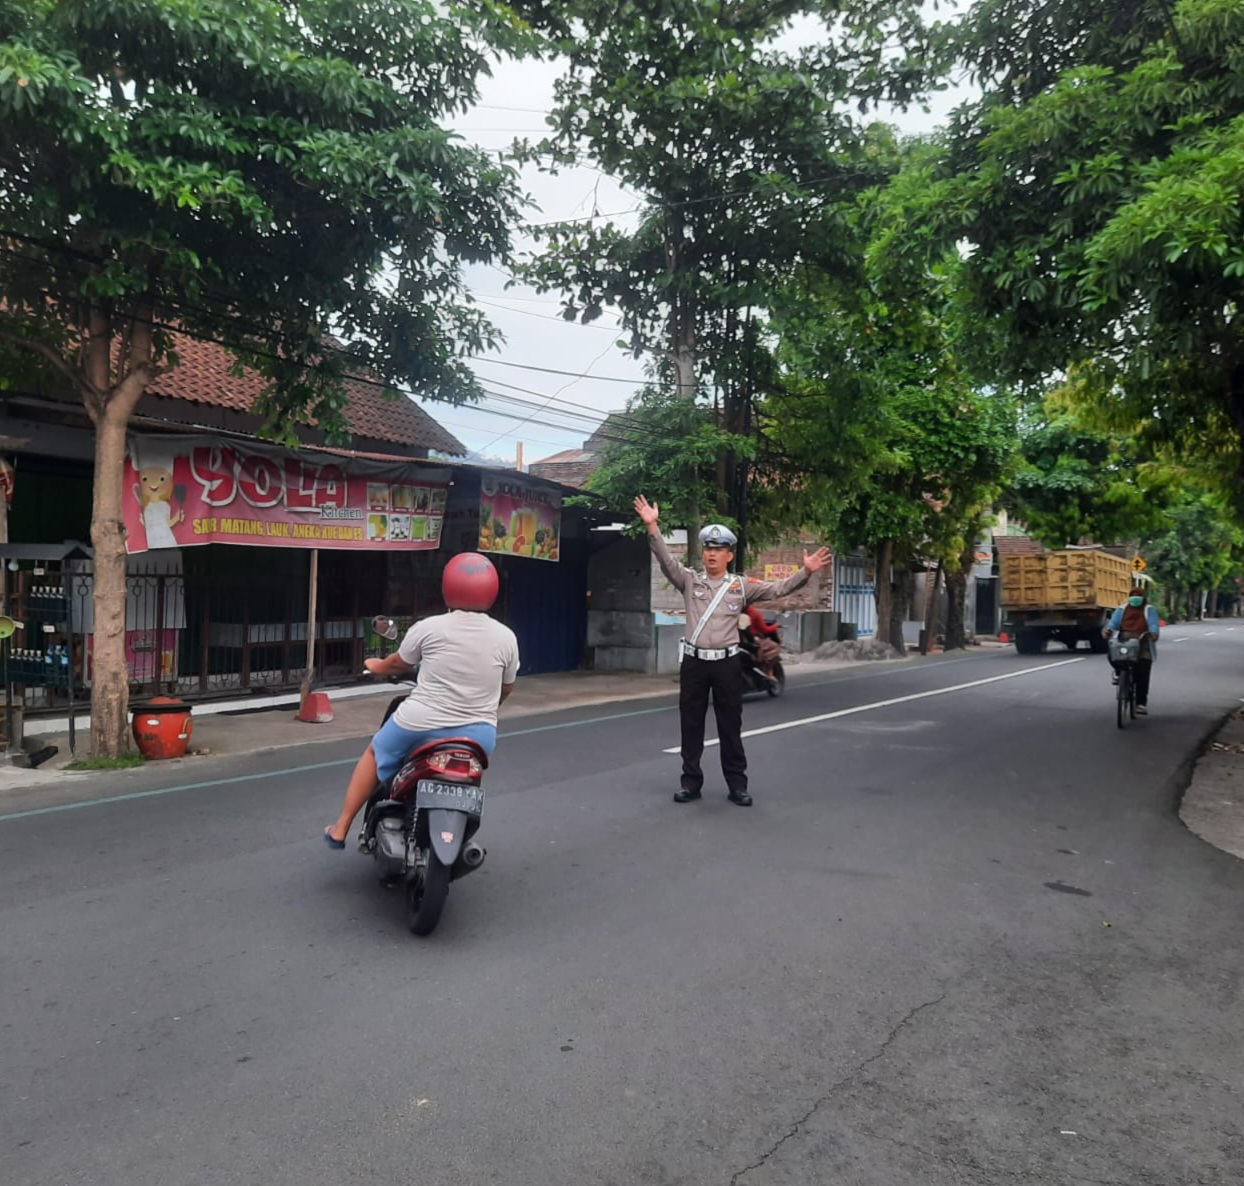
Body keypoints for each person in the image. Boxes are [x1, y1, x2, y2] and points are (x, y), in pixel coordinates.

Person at [634, 495, 831, 806]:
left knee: (730, 726)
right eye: (708, 549)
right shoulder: (689, 581)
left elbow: (777, 589)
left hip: (727, 665)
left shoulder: (741, 586)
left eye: (718, 550)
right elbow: (665, 561)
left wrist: (805, 572)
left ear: (729, 554)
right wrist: (652, 525)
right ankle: (691, 782)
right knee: (691, 724)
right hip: (695, 664)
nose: (711, 554)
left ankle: (737, 785)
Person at [323, 552, 519, 848]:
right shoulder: (506, 637)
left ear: (446, 588)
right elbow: (506, 688)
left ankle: (340, 828)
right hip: (479, 733)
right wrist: (487, 710)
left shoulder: (429, 628)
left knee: (375, 754)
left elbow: (396, 664)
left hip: (419, 722)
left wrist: (375, 665)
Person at [1103, 577, 1160, 715]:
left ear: (1143, 597)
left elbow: (1153, 624)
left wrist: (1153, 634)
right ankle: (1119, 674)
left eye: (1138, 596)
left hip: (1143, 642)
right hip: (1124, 641)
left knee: (1143, 672)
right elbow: (1113, 623)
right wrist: (1108, 630)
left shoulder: (1149, 610)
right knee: (1113, 655)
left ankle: (1141, 703)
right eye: (1132, 596)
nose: (1135, 598)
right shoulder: (1122, 609)